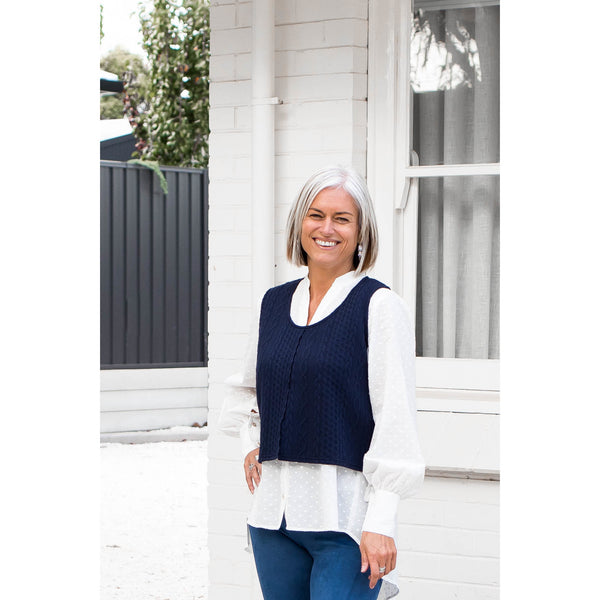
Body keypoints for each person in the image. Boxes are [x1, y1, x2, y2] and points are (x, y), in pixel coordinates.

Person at [218, 165, 425, 600]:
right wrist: (250, 441)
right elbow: (250, 387)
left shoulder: (379, 306)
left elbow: (396, 415)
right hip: (274, 520)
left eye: (342, 218)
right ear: (300, 223)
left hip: (345, 521)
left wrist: (381, 522)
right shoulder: (273, 303)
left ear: (361, 231)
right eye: (316, 215)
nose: (326, 228)